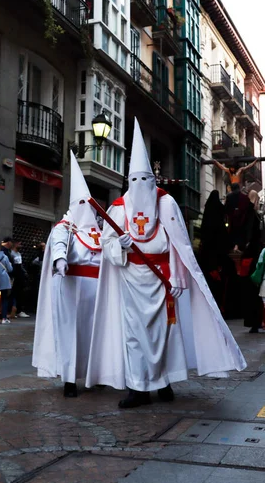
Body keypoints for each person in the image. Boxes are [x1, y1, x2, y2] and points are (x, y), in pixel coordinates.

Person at [86, 118, 246, 408]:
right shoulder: (119, 208)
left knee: (166, 334)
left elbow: (179, 243)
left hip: (162, 280)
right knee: (135, 336)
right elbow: (105, 243)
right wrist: (116, 246)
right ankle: (139, 386)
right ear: (128, 182)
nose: (140, 186)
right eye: (134, 181)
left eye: (145, 180)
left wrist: (178, 279)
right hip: (130, 280)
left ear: (153, 180)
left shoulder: (167, 204)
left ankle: (165, 381)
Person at [33, 151, 102, 397]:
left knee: (95, 333)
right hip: (72, 287)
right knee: (71, 333)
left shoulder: (99, 230)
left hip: (97, 289)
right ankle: (70, 379)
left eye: (89, 204)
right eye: (81, 204)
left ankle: (97, 374)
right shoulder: (66, 226)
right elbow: (59, 243)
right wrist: (60, 259)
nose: (87, 209)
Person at [199, 190, 230, 313]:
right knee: (219, 287)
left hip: (207, 261)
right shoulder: (220, 223)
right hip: (219, 261)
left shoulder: (206, 220)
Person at [242, 190, 263, 333]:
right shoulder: (251, 213)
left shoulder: (250, 212)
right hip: (253, 256)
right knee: (254, 290)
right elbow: (250, 232)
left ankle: (254, 322)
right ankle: (255, 321)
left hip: (250, 255)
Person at [225, 183, 252, 251]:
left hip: (232, 221)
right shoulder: (244, 197)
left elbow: (226, 209)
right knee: (240, 235)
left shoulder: (229, 197)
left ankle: (234, 247)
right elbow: (249, 208)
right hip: (242, 221)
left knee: (233, 234)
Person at [11, 240, 30, 318]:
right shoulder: (11, 253)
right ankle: (14, 310)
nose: (20, 245)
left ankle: (19, 310)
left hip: (20, 276)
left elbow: (20, 265)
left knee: (20, 293)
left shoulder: (19, 254)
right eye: (19, 243)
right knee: (14, 293)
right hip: (15, 275)